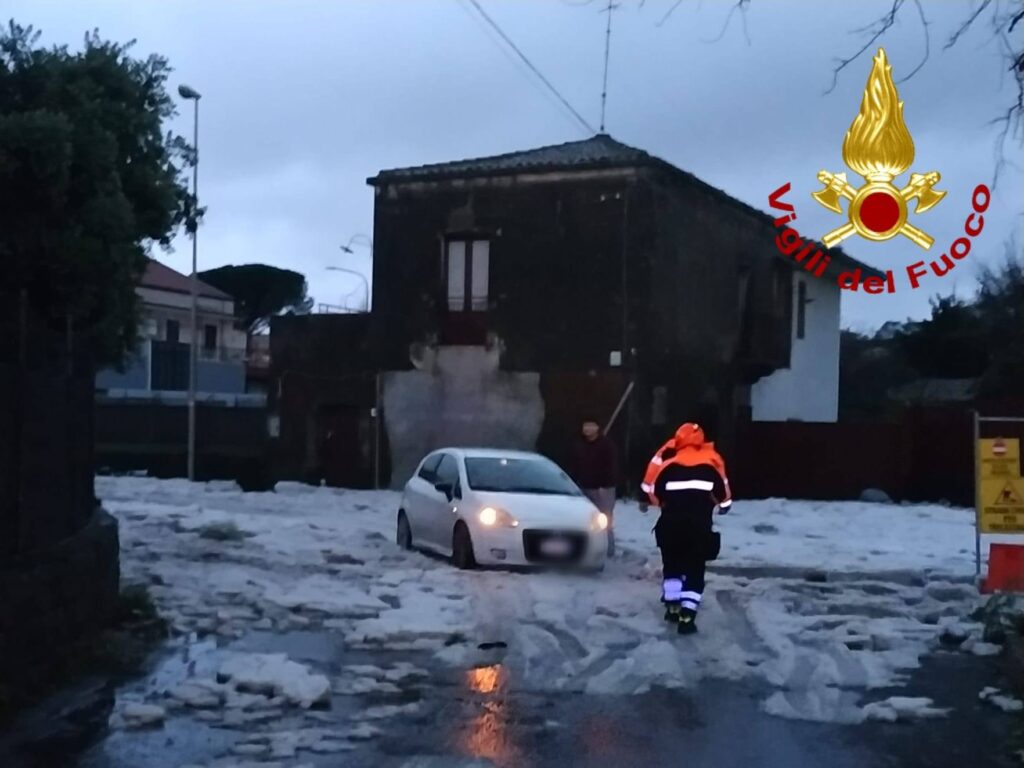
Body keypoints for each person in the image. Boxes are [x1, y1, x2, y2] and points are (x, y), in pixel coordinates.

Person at [640, 422, 732, 635]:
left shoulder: (668, 466)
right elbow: (725, 496)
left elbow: (654, 494)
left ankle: (672, 607)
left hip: (670, 526)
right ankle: (687, 615)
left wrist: (662, 503)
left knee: (671, 565)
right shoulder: (711, 466)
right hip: (699, 528)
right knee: (694, 569)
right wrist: (722, 507)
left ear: (678, 441)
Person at [572, 418, 619, 556]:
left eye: (591, 425)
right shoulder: (579, 445)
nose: (588, 429)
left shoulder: (606, 445)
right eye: (585, 425)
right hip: (584, 487)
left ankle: (608, 550)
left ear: (598, 428)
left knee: (604, 520)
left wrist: (605, 484)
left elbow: (612, 467)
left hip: (603, 488)